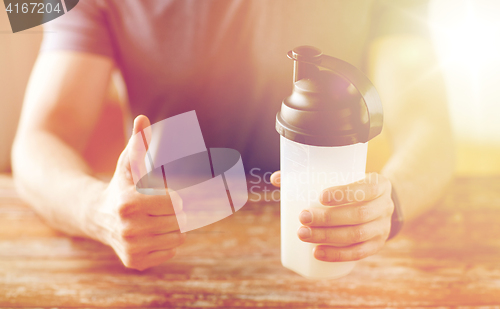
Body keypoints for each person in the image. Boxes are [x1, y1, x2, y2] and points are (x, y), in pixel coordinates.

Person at [12, 0, 454, 271]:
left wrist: (390, 203)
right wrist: (96, 211)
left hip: (326, 240)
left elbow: (428, 124)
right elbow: (42, 136)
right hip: (172, 249)